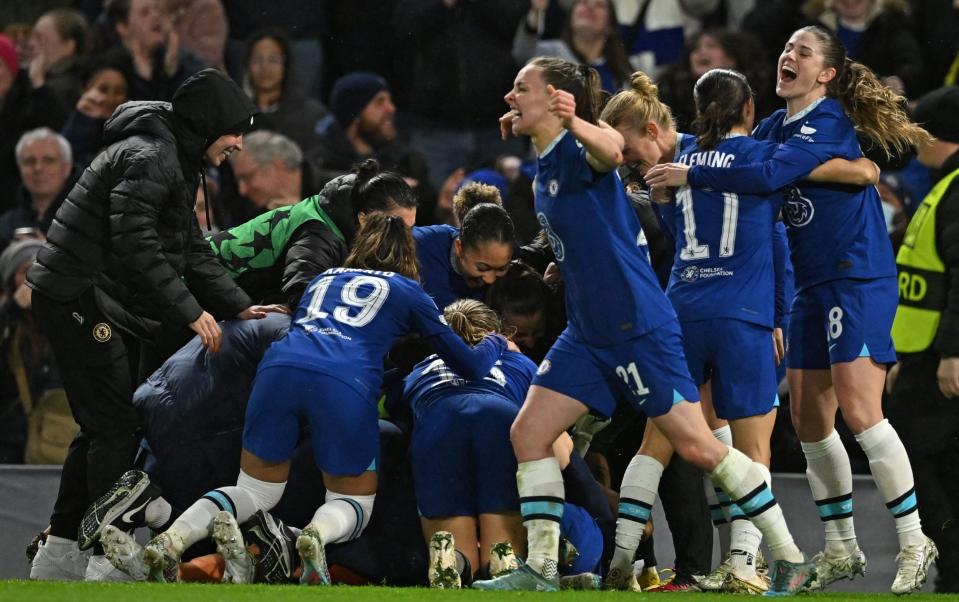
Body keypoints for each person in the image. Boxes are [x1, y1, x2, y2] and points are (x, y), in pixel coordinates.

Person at [471, 56, 814, 595]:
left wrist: (573, 120)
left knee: (700, 448)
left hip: (637, 328)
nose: (510, 96)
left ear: (558, 98)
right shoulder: (547, 162)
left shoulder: (584, 144)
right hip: (589, 332)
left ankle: (789, 555)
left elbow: (610, 148)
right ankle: (539, 570)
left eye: (521, 88)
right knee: (530, 433)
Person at [645, 26, 937, 595]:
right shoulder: (778, 127)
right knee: (807, 419)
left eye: (802, 52)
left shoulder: (826, 121)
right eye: (786, 48)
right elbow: (748, 157)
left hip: (856, 277)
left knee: (859, 409)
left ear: (826, 73)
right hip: (810, 284)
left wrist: (691, 172)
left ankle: (913, 538)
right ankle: (841, 549)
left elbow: (766, 174)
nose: (788, 56)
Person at [141, 214, 509, 584]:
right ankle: (314, 536)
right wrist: (495, 341)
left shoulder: (323, 279)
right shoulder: (409, 291)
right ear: (410, 257)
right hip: (343, 383)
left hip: (277, 372)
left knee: (255, 490)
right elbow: (470, 364)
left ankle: (174, 540)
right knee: (354, 503)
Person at [25, 68, 284, 582]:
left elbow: (189, 247)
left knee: (102, 427)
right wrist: (192, 311)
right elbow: (136, 244)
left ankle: (60, 554)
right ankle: (106, 556)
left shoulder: (172, 155)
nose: (238, 142)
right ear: (208, 124)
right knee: (115, 427)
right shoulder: (154, 156)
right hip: (75, 293)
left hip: (77, 293)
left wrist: (238, 306)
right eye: (234, 130)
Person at [887, 85, 959, 593]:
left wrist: (953, 353)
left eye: (921, 130)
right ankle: (951, 569)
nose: (914, 139)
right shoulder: (942, 185)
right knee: (936, 463)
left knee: (911, 458)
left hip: (939, 359)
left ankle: (949, 557)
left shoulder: (954, 190)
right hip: (921, 356)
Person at [209, 159, 418, 307]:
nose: (404, 237)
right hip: (200, 282)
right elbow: (302, 294)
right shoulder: (320, 235)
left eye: (410, 228)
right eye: (398, 227)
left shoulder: (340, 213)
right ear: (364, 219)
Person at [314, 72, 436, 224]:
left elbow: (426, 222)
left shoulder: (407, 161)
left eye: (390, 101)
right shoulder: (321, 163)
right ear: (355, 113)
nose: (391, 109)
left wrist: (442, 208)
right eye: (380, 102)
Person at [241, 29, 329, 158]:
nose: (265, 67)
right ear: (247, 66)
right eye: (257, 59)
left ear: (286, 65)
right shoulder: (234, 118)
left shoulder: (313, 115)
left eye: (273, 60)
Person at [513, 0, 633, 94]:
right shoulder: (550, 53)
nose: (590, 7)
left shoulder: (622, 74)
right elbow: (522, 53)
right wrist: (536, 11)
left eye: (599, 5)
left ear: (610, 26)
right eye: (583, 2)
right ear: (571, 16)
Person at [95, 0, 206, 101]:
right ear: (123, 27)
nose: (155, 16)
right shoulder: (109, 68)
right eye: (144, 13)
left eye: (157, 10)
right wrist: (143, 77)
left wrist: (175, 72)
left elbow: (206, 89)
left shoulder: (173, 55)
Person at [414, 203, 515, 311]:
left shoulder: (517, 264)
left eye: (501, 269)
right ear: (460, 249)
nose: (490, 279)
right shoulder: (418, 244)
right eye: (483, 268)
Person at [1, 128, 76, 250]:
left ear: (66, 168)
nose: (38, 168)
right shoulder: (6, 225)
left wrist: (46, 251)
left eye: (49, 160)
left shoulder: (89, 218)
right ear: (20, 169)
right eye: (29, 161)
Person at [226, 130, 320, 219]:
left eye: (247, 178)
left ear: (277, 165)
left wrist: (303, 216)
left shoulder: (332, 193)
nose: (242, 190)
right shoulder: (257, 215)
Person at [60, 62, 129, 168]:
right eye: (103, 89)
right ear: (88, 90)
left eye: (118, 91)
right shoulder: (74, 120)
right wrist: (86, 118)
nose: (110, 97)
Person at [25, 9, 91, 115]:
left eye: (39, 38)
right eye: (32, 37)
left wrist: (39, 86)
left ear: (68, 46)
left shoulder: (67, 88)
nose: (30, 44)